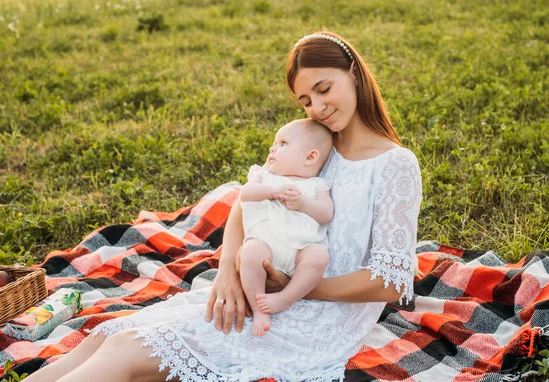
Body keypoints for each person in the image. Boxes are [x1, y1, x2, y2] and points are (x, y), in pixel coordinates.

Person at [24, 31, 422, 382]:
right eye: (305, 100)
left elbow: (389, 282)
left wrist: (296, 291)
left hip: (321, 314)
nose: (317, 107)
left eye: (323, 88)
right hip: (264, 286)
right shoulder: (316, 146)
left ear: (353, 72)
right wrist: (228, 273)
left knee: (125, 351)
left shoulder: (394, 165)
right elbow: (244, 205)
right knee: (106, 338)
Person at [239, 118, 334, 336]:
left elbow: (326, 213)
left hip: (301, 251)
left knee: (318, 256)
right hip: (267, 246)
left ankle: (285, 298)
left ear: (310, 157)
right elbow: (245, 193)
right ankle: (258, 308)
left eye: (283, 143)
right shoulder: (265, 176)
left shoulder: (318, 185)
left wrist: (303, 204)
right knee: (251, 251)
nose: (273, 147)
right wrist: (272, 191)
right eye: (274, 142)